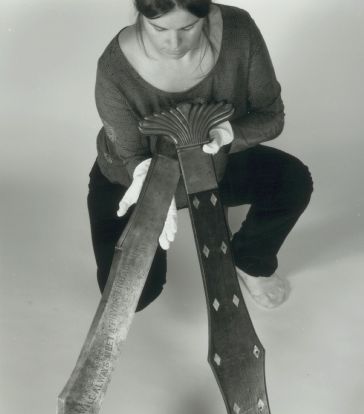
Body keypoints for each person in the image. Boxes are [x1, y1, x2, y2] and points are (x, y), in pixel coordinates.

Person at [87, 0, 313, 311]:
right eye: (159, 28)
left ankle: (249, 260)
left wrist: (229, 134)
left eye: (188, 27)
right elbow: (131, 154)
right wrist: (149, 185)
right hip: (133, 178)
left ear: (206, 12)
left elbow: (271, 116)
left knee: (292, 181)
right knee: (133, 295)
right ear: (141, 14)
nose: (174, 43)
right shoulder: (113, 69)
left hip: (214, 162)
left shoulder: (238, 29)